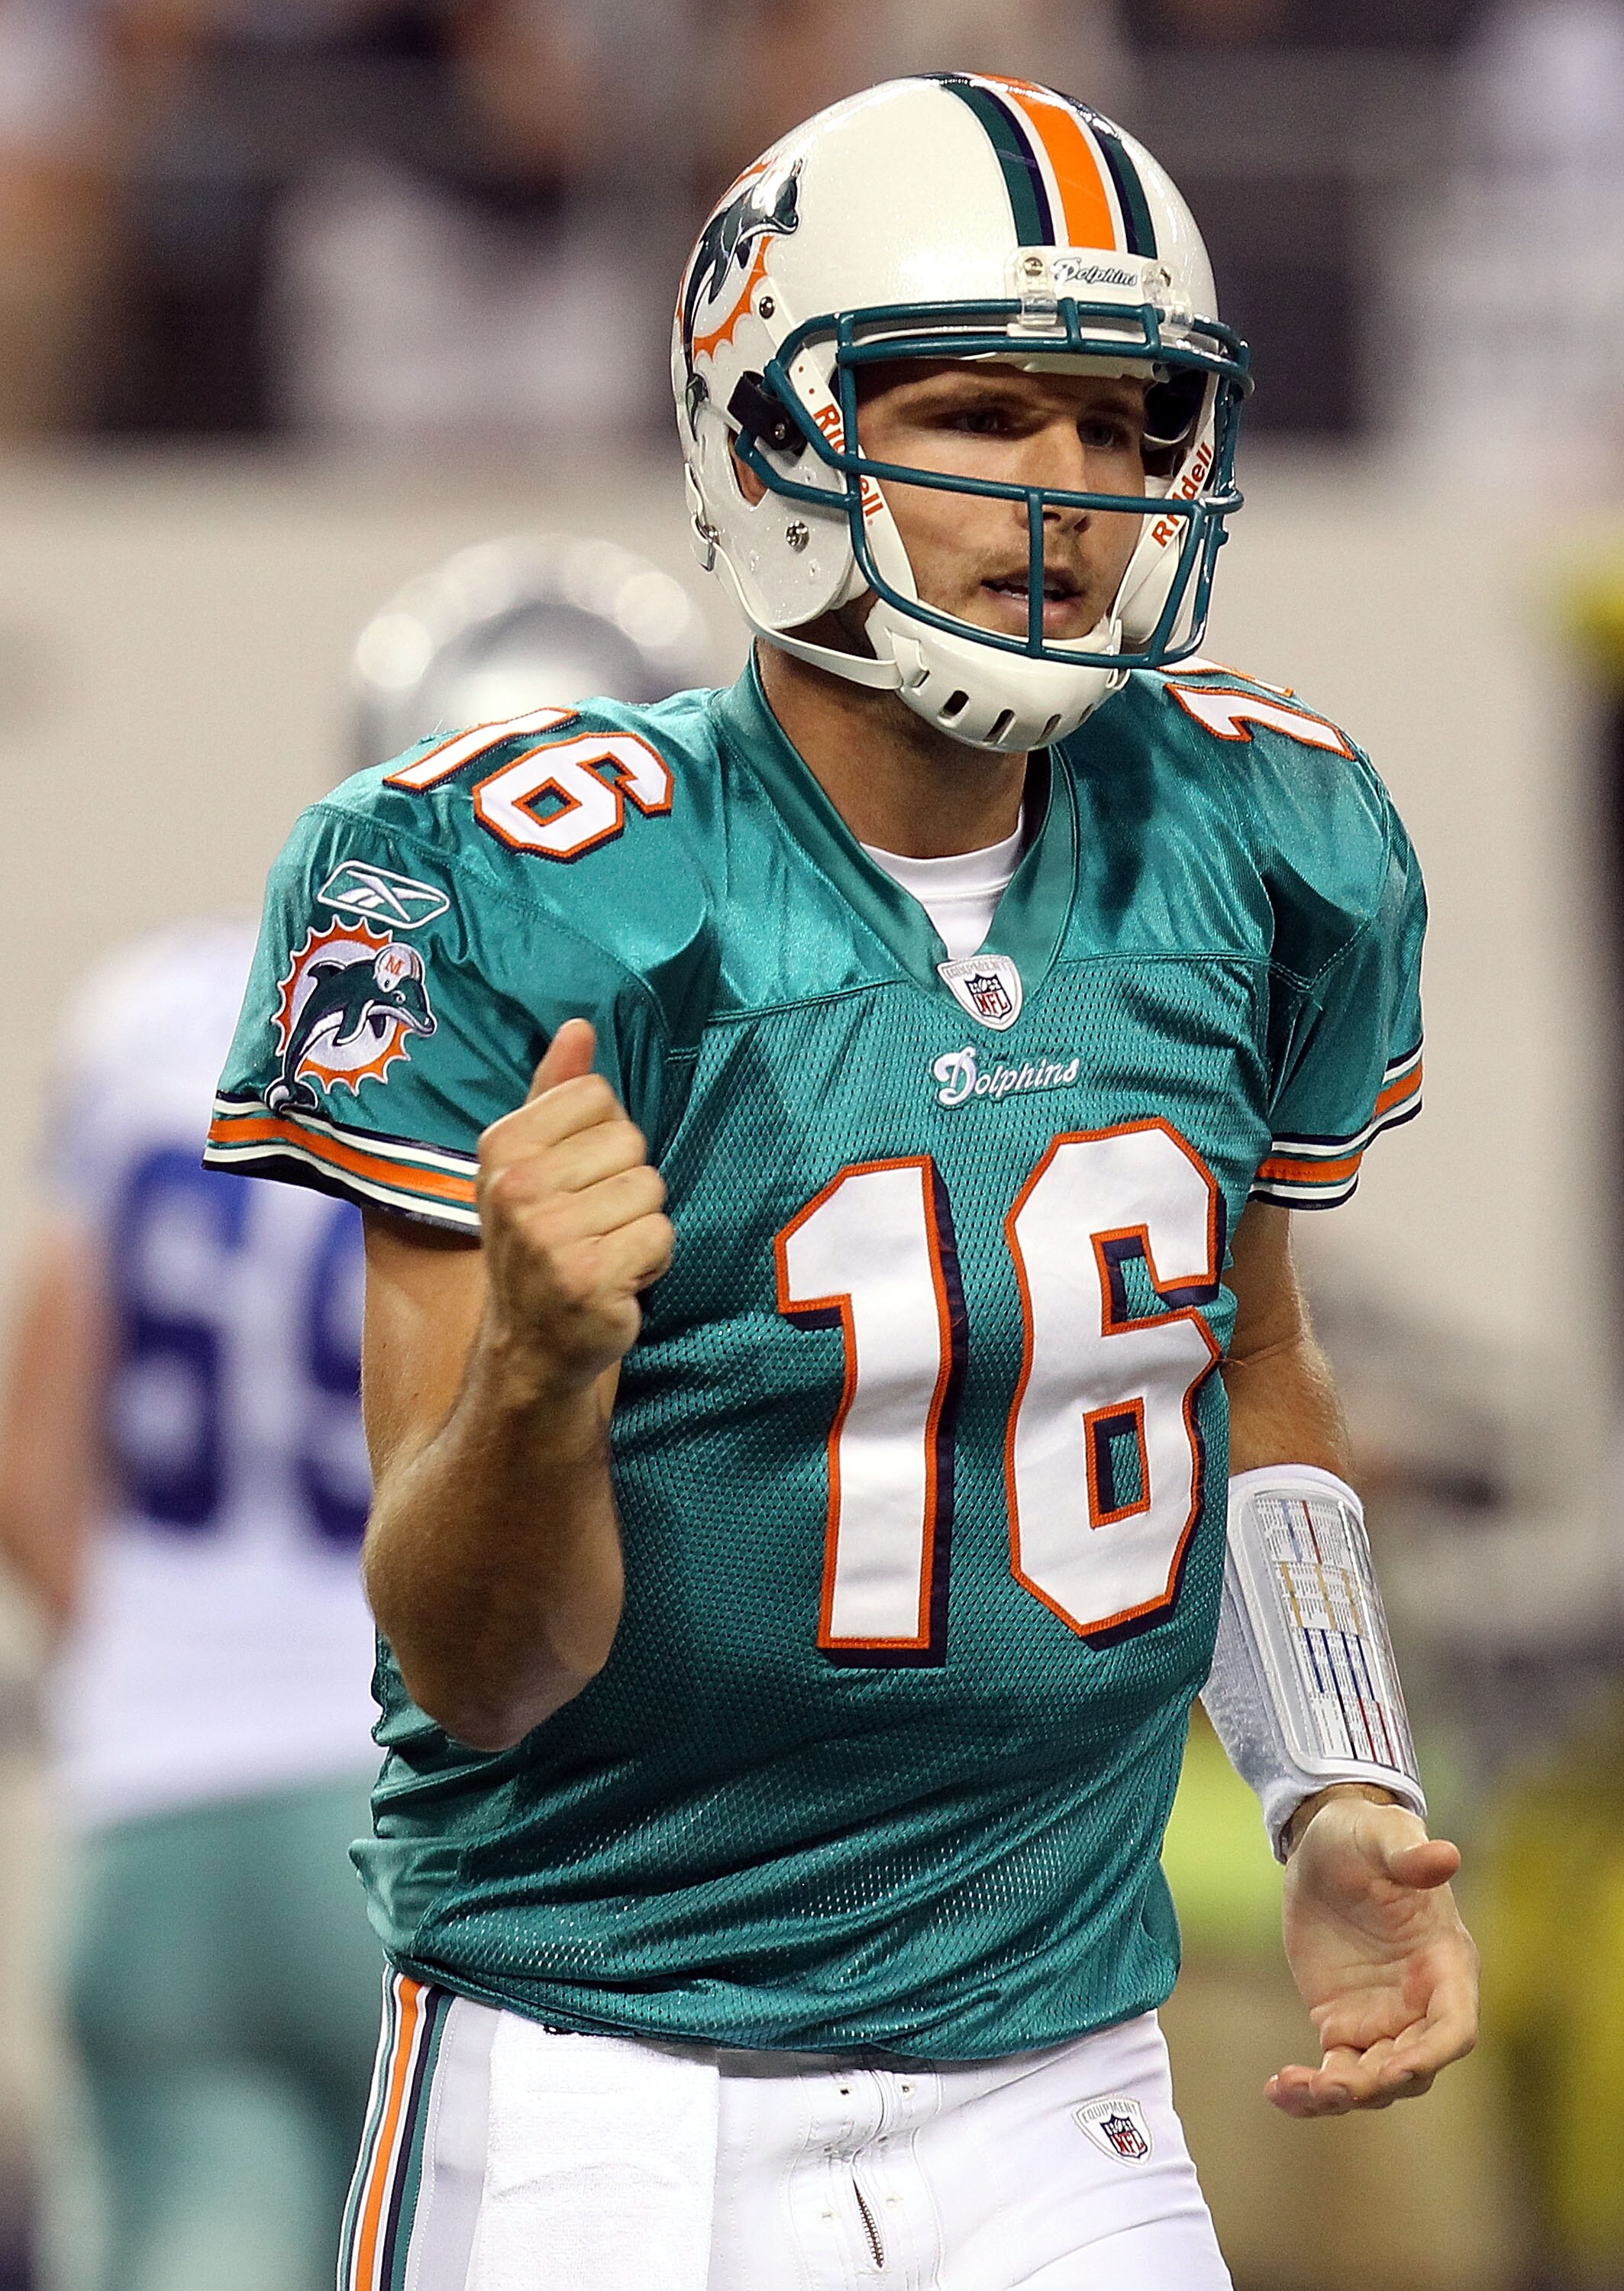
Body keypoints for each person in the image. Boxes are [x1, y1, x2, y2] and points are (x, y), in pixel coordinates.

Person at [208, 76, 1479, 2289]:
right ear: (770, 430)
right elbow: (479, 1669)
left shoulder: (1269, 838)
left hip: (1060, 2065)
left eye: (1127, 426)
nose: (1073, 499)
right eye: (988, 415)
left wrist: (1333, 1780)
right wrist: (534, 1375)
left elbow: (1251, 1370)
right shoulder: (511, 876)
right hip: (606, 2061)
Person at [0, 535, 711, 2291]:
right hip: (444, 1806)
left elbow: (34, 1443)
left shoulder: (157, 1013)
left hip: (150, 1820)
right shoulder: (634, 1073)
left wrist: (162, 1676)